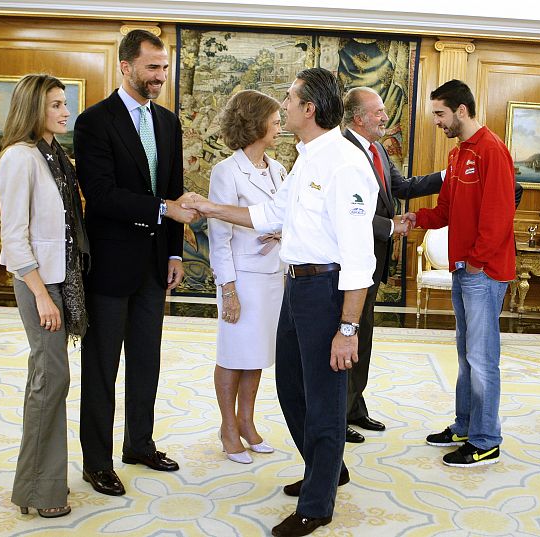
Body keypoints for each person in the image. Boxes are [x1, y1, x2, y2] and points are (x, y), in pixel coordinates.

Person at [183, 68, 378, 537]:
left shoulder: (345, 163)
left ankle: (317, 504)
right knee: (292, 388)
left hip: (328, 293)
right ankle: (327, 468)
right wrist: (208, 207)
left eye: (289, 99)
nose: (284, 106)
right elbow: (268, 214)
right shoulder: (307, 157)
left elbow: (359, 256)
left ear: (309, 109)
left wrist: (347, 328)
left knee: (325, 399)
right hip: (294, 288)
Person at [74, 29, 197, 496]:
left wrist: (173, 251)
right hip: (108, 266)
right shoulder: (93, 122)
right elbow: (101, 197)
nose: (160, 76)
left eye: (164, 68)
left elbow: (174, 189)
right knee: (102, 367)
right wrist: (164, 210)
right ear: (125, 67)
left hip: (153, 265)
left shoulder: (167, 122)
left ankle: (139, 444)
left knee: (147, 360)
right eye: (152, 68)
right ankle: (96, 461)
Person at [402, 79, 516, 467]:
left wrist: (478, 262)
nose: (436, 121)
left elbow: (499, 216)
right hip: (465, 270)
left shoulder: (492, 151)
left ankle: (486, 440)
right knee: (467, 355)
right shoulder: (457, 156)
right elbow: (446, 212)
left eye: (440, 113)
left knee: (483, 359)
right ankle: (465, 425)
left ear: (461, 111)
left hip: (483, 272)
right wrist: (415, 218)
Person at [0, 74, 88, 518]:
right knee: (49, 381)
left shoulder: (55, 156)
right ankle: (37, 489)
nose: (64, 111)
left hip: (59, 278)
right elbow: (13, 238)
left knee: (54, 379)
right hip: (38, 282)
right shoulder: (19, 158)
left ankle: (44, 481)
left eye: (63, 103)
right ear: (34, 108)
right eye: (55, 104)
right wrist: (43, 296)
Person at [341, 87, 443, 443]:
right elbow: (344, 215)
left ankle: (355, 409)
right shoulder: (342, 151)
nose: (386, 118)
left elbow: (402, 187)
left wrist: (446, 176)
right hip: (349, 264)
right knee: (346, 337)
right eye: (379, 112)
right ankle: (339, 416)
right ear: (358, 117)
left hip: (373, 261)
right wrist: (389, 227)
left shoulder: (379, 150)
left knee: (363, 336)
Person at [208, 89, 287, 463]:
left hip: (273, 277)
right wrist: (229, 289)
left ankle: (247, 422)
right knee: (233, 354)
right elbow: (219, 234)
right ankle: (227, 427)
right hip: (241, 278)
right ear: (255, 124)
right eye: (274, 121)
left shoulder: (279, 169)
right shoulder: (226, 171)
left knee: (256, 355)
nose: (280, 127)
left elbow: (287, 217)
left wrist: (282, 231)